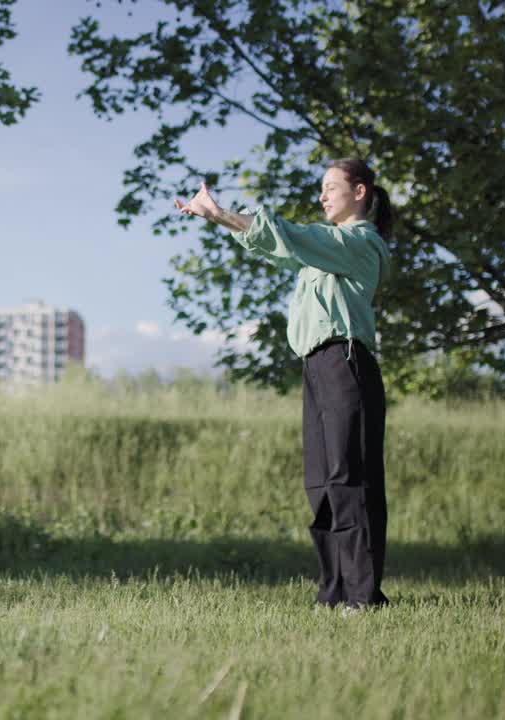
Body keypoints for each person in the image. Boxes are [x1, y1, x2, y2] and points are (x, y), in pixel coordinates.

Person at [174, 158, 394, 610]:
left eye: (331, 187)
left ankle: (362, 596)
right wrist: (220, 219)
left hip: (347, 361)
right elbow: (275, 246)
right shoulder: (325, 253)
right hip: (317, 366)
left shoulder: (358, 242)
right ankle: (333, 593)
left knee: (350, 478)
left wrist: (219, 213)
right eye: (321, 188)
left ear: (360, 192)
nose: (322, 195)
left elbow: (292, 236)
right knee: (321, 483)